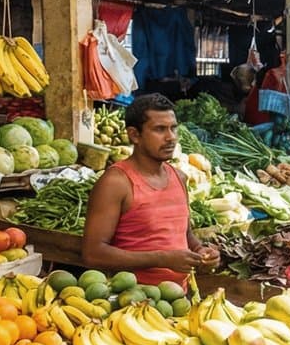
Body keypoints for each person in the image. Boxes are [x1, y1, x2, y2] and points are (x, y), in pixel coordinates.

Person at [84, 94, 219, 289]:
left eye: (173, 128)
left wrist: (201, 251)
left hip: (178, 298)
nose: (170, 137)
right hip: (132, 301)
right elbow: (93, 254)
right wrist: (161, 259)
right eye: (159, 129)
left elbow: (185, 234)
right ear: (134, 135)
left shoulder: (179, 177)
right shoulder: (116, 183)